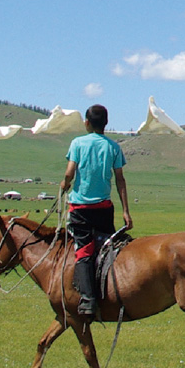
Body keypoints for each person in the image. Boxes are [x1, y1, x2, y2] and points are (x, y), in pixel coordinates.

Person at [61, 104, 132, 317]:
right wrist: (126, 211)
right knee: (107, 248)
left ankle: (88, 300)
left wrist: (65, 184)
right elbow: (120, 180)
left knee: (83, 252)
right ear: (106, 123)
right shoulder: (113, 147)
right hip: (104, 208)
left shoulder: (78, 144)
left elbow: (70, 172)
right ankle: (114, 291)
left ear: (87, 122)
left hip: (81, 208)